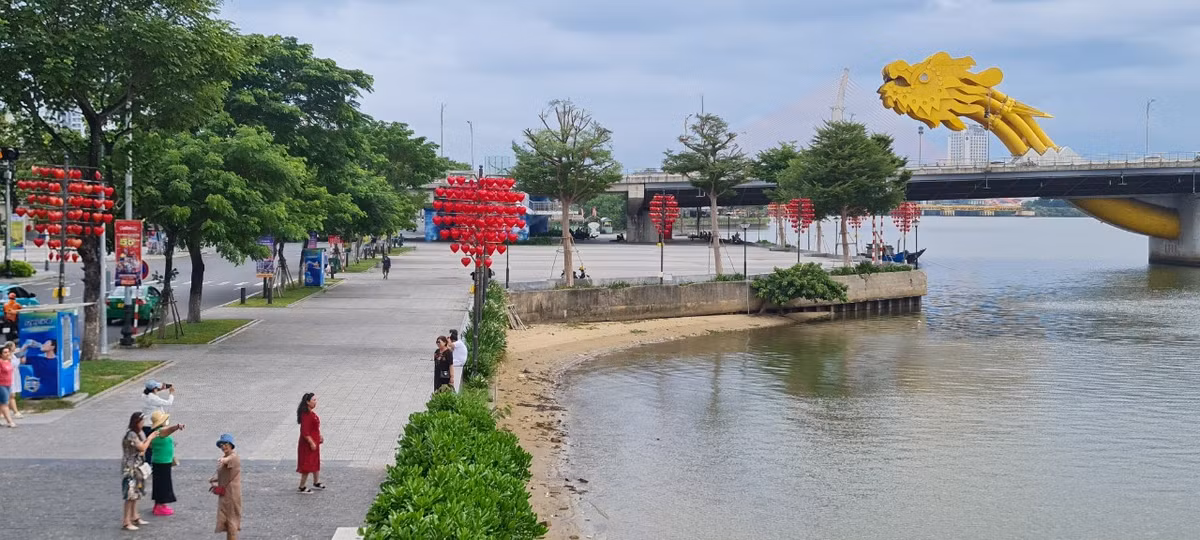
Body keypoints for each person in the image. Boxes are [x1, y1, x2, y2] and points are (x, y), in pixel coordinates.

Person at [122, 412, 160, 531]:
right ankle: (126, 521)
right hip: (130, 468)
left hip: (138, 466)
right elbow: (143, 447)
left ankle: (135, 516)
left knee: (137, 493)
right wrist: (150, 437)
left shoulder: (139, 433)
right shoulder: (131, 434)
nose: (143, 423)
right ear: (136, 422)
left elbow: (144, 449)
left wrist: (148, 441)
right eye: (141, 421)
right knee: (130, 494)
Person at [148, 411, 185, 516]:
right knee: (163, 484)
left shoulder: (155, 433)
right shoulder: (160, 431)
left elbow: (151, 446)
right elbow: (168, 431)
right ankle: (159, 506)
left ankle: (159, 504)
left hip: (161, 461)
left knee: (161, 483)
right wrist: (177, 427)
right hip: (162, 462)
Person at [209, 433, 242, 540]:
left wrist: (223, 460)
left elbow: (229, 460)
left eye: (225, 444)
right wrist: (214, 479)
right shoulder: (226, 456)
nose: (223, 446)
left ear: (231, 445)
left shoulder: (233, 457)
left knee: (231, 522)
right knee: (228, 522)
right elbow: (225, 474)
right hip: (225, 495)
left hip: (232, 495)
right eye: (221, 445)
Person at [296, 393, 324, 493]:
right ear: (308, 402)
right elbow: (305, 431)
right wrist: (311, 442)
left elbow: (315, 427)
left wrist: (319, 436)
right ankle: (302, 486)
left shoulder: (311, 413)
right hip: (308, 445)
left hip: (314, 441)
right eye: (314, 400)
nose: (315, 402)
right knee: (307, 464)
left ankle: (316, 481)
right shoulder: (306, 415)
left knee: (315, 461)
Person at [142, 380, 175, 463]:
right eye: (156, 388)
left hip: (146, 423)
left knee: (149, 443)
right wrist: (171, 393)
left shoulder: (144, 395)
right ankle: (150, 462)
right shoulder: (153, 398)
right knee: (152, 444)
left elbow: (155, 392)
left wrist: (164, 387)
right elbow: (168, 403)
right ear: (154, 389)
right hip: (152, 424)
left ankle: (149, 462)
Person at [3, 342, 21, 420]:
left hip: (15, 376)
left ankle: (3, 412)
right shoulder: (6, 357)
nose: (15, 347)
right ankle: (15, 412)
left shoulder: (14, 355)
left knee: (10, 395)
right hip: (9, 377)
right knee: (11, 395)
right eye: (14, 346)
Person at [0, 347, 15, 428]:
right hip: (1, 384)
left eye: (8, 352)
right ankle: (10, 421)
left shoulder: (8, 361)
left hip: (8, 384)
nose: (7, 353)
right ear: (1, 354)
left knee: (3, 402)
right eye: (5, 352)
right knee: (4, 403)